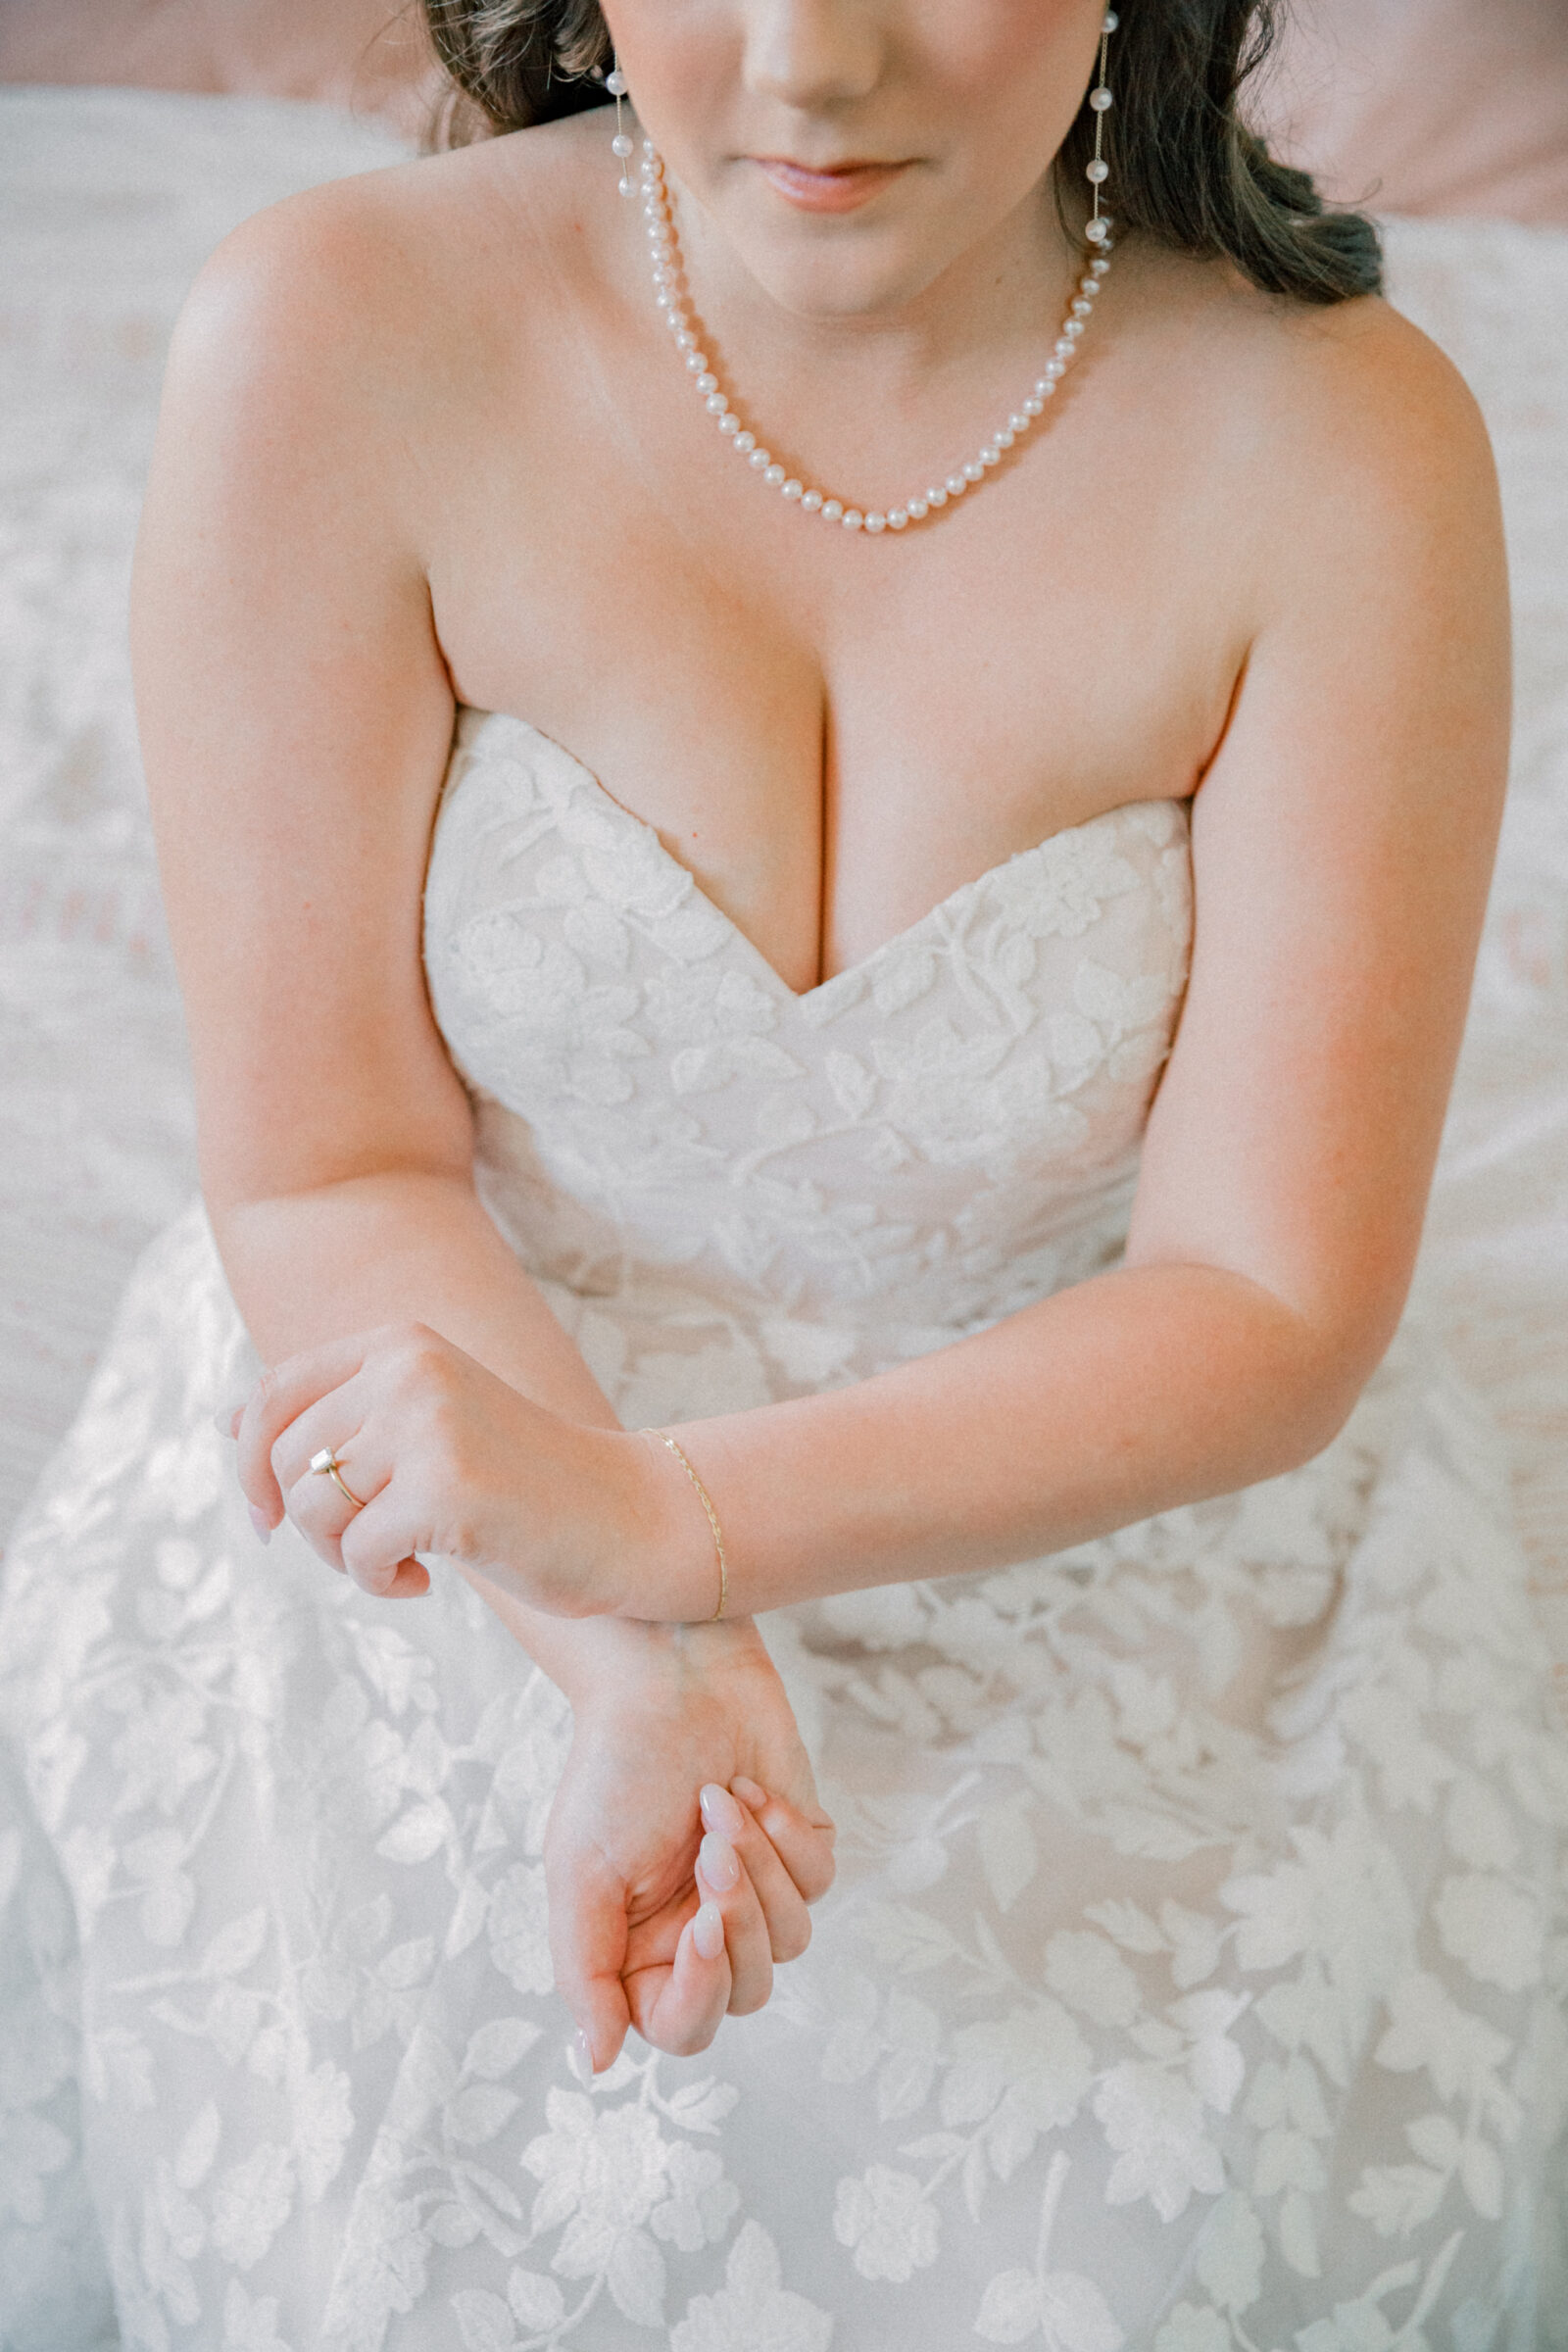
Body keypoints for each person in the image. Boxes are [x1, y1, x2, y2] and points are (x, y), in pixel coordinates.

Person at [1, 2, 1564, 2344]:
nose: (804, 62)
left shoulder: (1345, 446)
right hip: (447, 1410)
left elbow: (1258, 1295)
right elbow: (331, 1157)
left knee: (1120, 2246)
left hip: (1116, 1495)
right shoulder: (331, 333)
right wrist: (636, 1656)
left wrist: (672, 1519)